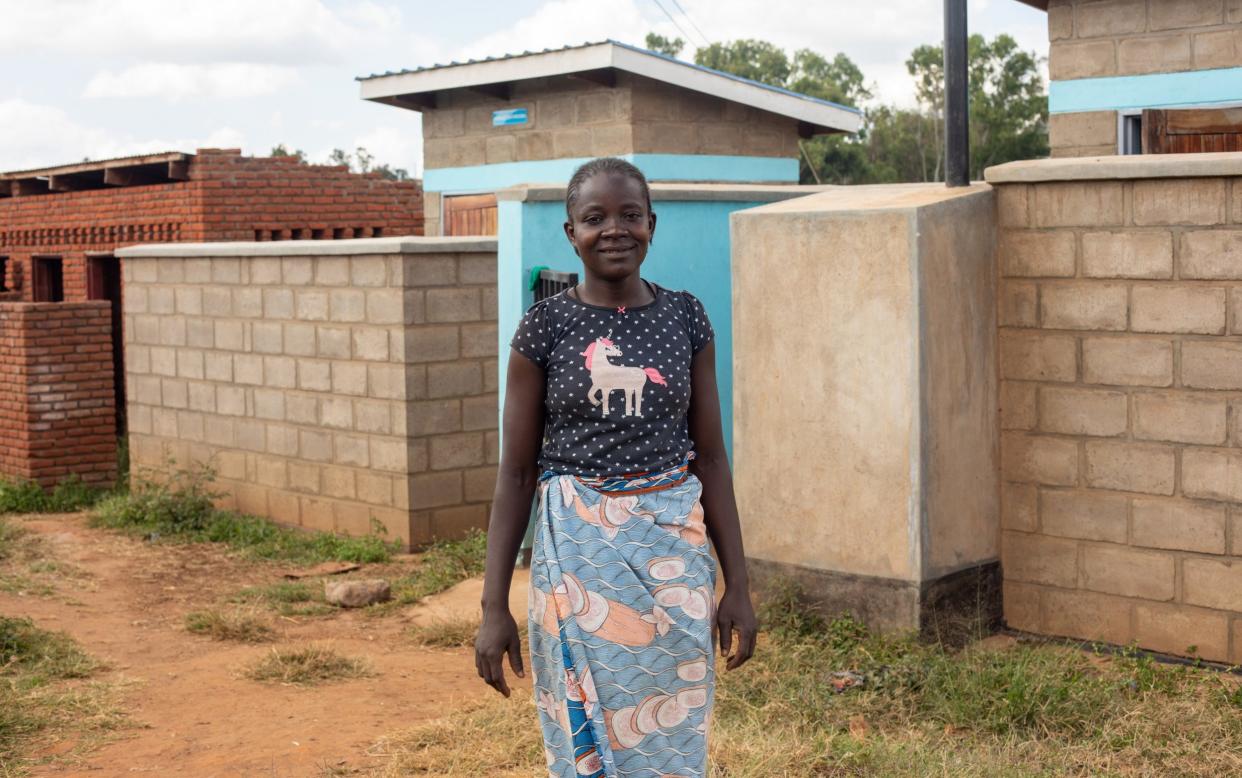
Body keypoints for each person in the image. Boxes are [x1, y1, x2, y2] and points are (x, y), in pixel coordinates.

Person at [475, 157, 756, 778]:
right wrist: (495, 605)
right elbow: (517, 474)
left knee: (674, 723)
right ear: (570, 233)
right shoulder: (543, 328)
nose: (614, 230)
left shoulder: (686, 318)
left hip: (671, 559)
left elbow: (710, 456)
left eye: (630, 215)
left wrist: (737, 583)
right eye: (595, 217)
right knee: (583, 729)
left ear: (652, 224)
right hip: (574, 563)